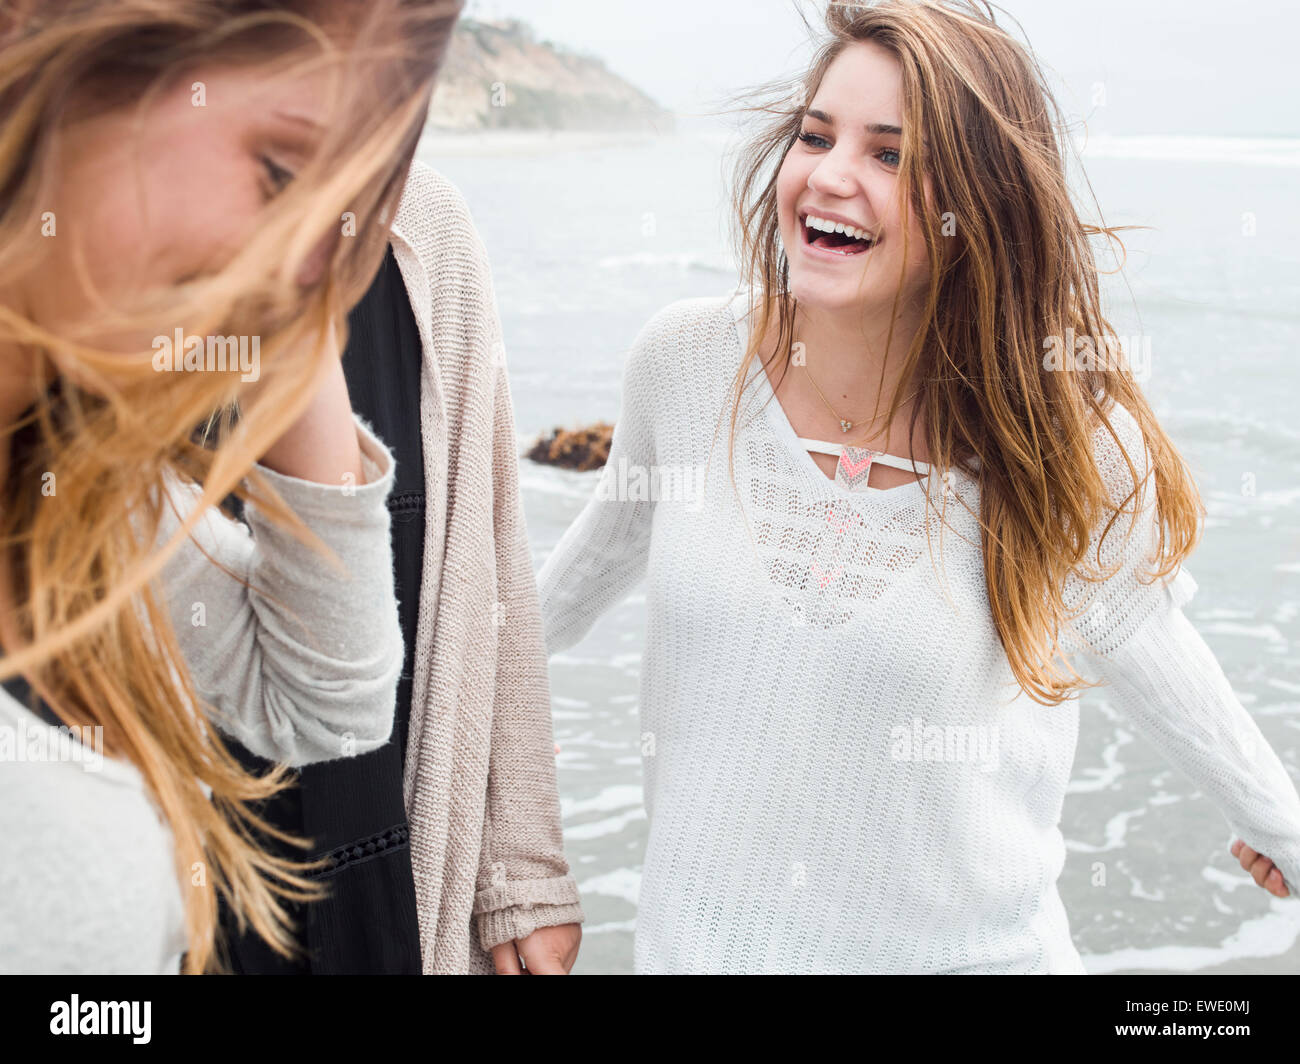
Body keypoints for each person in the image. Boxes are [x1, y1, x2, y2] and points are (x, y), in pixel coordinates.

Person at [537, 0, 1300, 974]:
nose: (827, 175)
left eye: (889, 155)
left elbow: (1141, 631)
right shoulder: (685, 363)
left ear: (974, 205)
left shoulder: (1060, 434)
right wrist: (490, 805)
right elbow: (543, 609)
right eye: (816, 135)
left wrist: (1275, 821)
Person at [0, 0, 461, 974]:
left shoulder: (80, 497)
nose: (310, 281)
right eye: (280, 171)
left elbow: (323, 703)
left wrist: (285, 323)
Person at [218, 160, 585, 976]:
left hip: (384, 877)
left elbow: (490, 558)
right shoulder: (80, 234)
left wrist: (521, 870)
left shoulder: (424, 227)